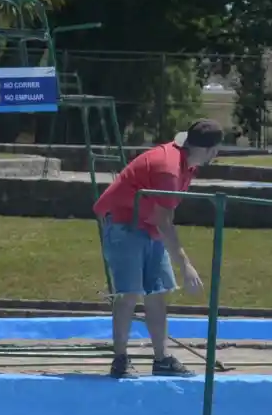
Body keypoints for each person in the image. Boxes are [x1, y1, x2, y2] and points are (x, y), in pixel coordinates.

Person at [93, 119, 223, 378]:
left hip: (146, 224)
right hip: (123, 224)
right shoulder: (169, 169)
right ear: (210, 151)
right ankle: (120, 360)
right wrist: (185, 265)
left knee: (157, 292)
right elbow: (165, 220)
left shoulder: (186, 165)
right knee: (129, 294)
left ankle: (161, 359)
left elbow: (162, 218)